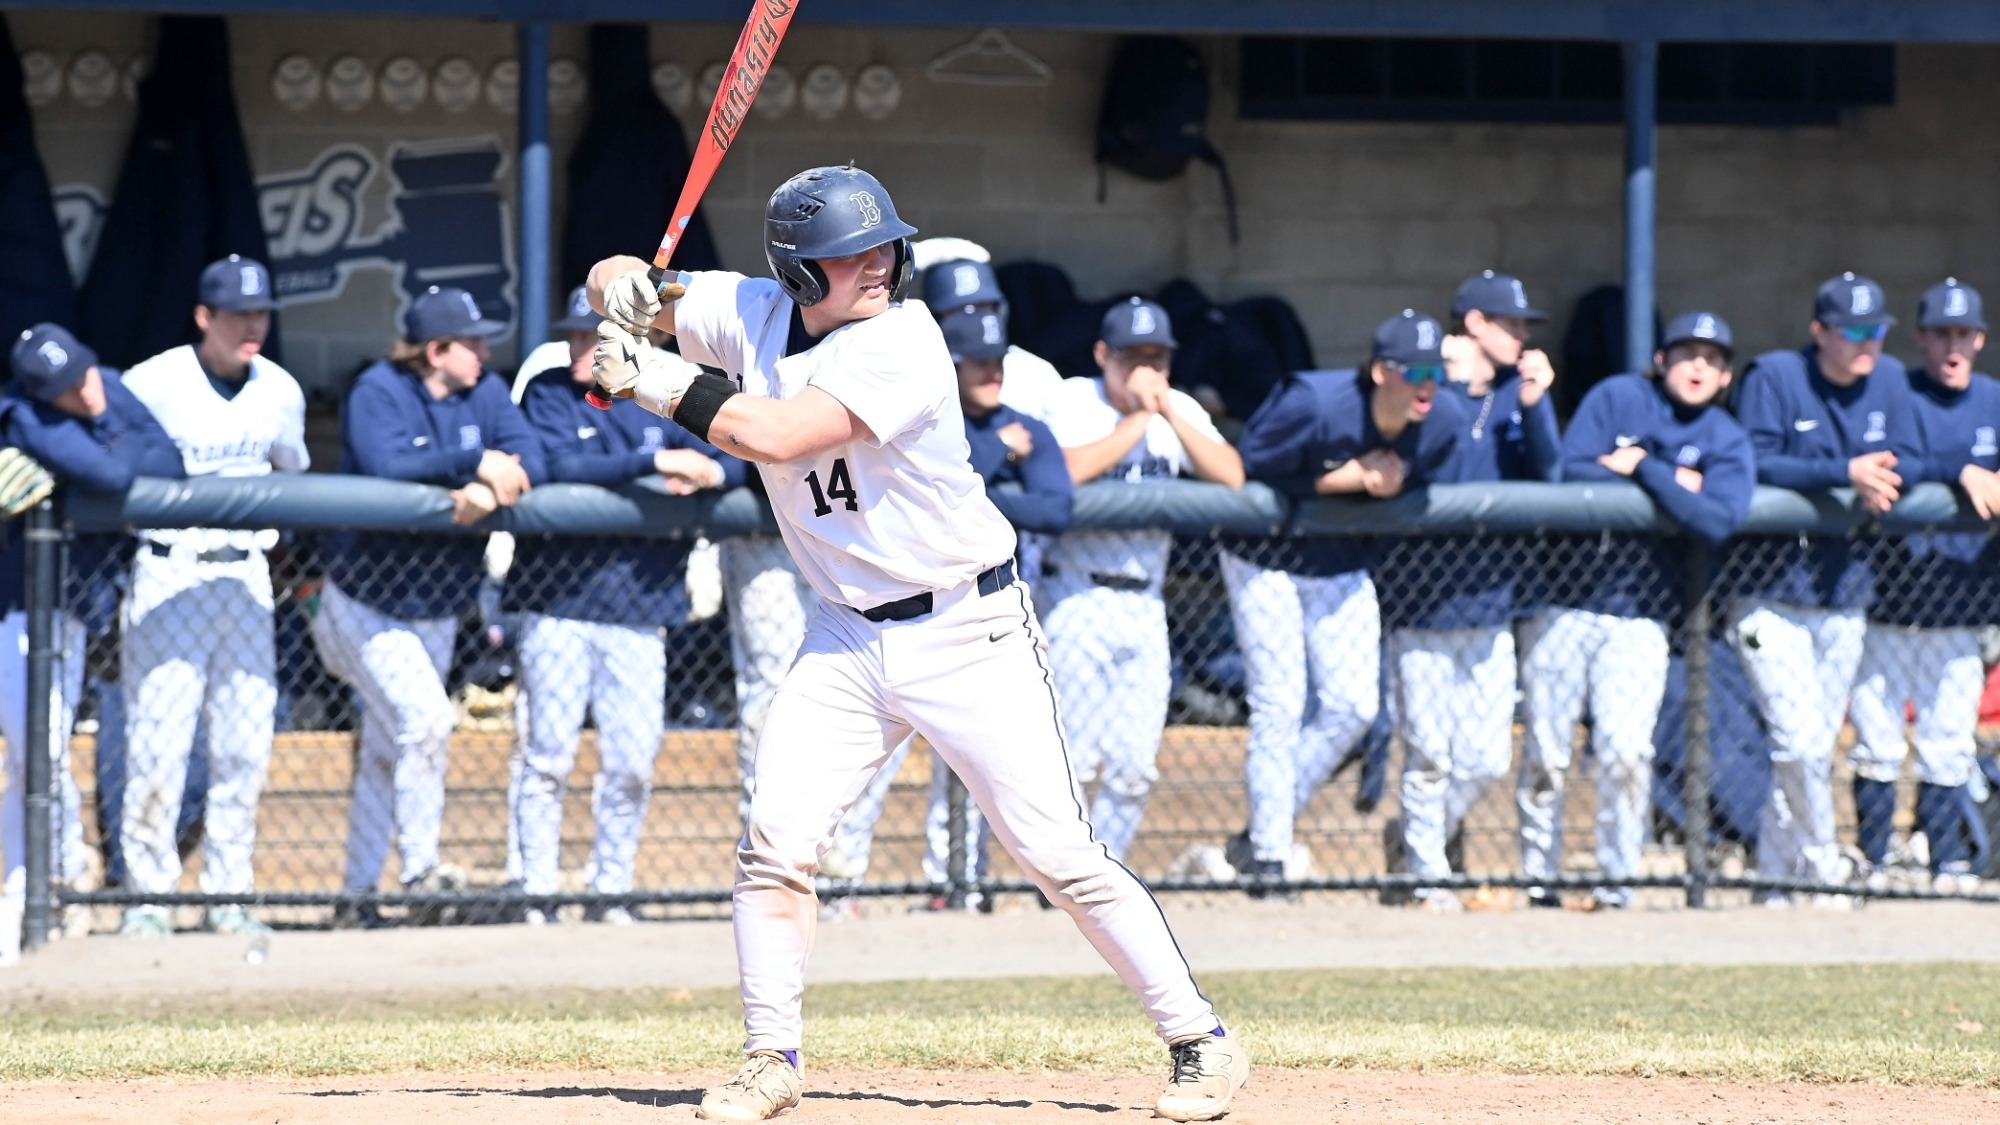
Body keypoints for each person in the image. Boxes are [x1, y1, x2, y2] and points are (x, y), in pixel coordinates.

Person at [587, 164, 1246, 1122]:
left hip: (966, 627)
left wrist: (651, 375)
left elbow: (776, 434)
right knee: (775, 838)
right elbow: (610, 281)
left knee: (1056, 851)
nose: (879, 266)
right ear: (800, 275)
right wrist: (627, 291)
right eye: (850, 257)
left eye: (882, 246)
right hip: (846, 632)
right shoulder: (754, 311)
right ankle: (771, 1058)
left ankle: (1200, 1041)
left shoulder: (905, 340)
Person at [825, 305, 1074, 911]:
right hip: (889, 613)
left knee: (978, 770)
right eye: (977, 363)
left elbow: (1057, 509)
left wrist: (977, 485)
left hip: (990, 614)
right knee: (870, 769)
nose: (991, 372)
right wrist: (993, 459)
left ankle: (957, 886)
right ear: (951, 366)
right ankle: (839, 887)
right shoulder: (924, 418)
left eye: (997, 361)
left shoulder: (1028, 426)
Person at [508, 285, 742, 924]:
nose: (581, 347)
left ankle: (611, 889)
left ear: (633, 339)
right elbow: (553, 462)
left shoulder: (669, 392)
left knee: (632, 764)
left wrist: (714, 471)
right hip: (556, 602)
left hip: (642, 604)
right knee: (546, 756)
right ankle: (535, 892)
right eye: (577, 336)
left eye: (593, 336)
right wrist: (653, 461)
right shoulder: (551, 390)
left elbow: (740, 451)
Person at [313, 285, 545, 926]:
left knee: (391, 747)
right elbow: (388, 464)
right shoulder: (379, 388)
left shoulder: (487, 391)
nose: (484, 351)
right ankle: (420, 873)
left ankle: (357, 897)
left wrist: (488, 483)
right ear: (436, 350)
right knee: (426, 723)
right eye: (471, 342)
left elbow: (536, 456)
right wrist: (474, 468)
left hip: (439, 600)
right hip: (364, 598)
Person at [1222, 310, 1460, 896]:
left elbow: (1424, 476)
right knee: (1278, 704)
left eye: (1438, 370)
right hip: (1265, 557)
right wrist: (1341, 478)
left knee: (1353, 708)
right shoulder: (1313, 402)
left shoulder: (1443, 420)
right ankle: (1271, 860)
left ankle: (1261, 830)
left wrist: (1393, 477)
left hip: (1341, 563)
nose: (1429, 384)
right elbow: (1247, 468)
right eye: (1417, 371)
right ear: (1382, 371)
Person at [1523, 311, 1755, 909]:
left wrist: (1643, 468)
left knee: (1627, 753)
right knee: (1547, 754)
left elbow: (1718, 519)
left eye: (1712, 358)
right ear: (1661, 360)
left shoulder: (1725, 436)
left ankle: (1616, 884)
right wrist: (1677, 483)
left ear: (1726, 375)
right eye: (1686, 353)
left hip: (1644, 614)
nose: (1698, 366)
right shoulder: (1617, 396)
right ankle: (1536, 882)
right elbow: (1567, 472)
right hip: (1566, 603)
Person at [116, 255, 309, 938]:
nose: (251, 325)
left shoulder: (280, 388)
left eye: (260, 313)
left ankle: (229, 890)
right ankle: (150, 896)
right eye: (238, 314)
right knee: (159, 745)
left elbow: (295, 472)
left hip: (246, 576)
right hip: (172, 568)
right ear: (206, 316)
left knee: (243, 745)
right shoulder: (152, 382)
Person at [1729, 272, 1922, 904]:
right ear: (1821, 333)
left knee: (1807, 748)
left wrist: (1883, 475)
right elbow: (1752, 459)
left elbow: (1914, 457)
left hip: (1846, 592)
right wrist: (1842, 474)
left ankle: (1774, 884)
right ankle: (1823, 870)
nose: (1869, 343)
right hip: (1768, 592)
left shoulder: (1889, 380)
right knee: (1800, 740)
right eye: (1854, 332)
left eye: (1878, 331)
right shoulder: (1777, 376)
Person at [1377, 271, 1562, 912]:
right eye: (1510, 323)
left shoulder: (1517, 394)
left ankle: (1410, 843)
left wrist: (1537, 403)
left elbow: (1552, 472)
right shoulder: (1428, 389)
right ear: (1475, 324)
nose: (1522, 335)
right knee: (1427, 755)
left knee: (1483, 758)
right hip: (1422, 601)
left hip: (1490, 599)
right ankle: (1428, 882)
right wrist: (1445, 383)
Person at [0, 325, 185, 958]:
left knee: (39, 748)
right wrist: (107, 437)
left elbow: (169, 464)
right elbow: (112, 472)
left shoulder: (104, 384)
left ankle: (42, 881)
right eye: (67, 385)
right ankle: (46, 877)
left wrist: (103, 419)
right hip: (16, 601)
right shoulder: (25, 414)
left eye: (82, 370)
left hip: (65, 605)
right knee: (35, 749)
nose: (83, 387)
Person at [1041, 298, 1245, 863]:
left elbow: (1231, 476)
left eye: (1157, 359)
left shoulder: (1173, 407)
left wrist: (1170, 414)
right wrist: (1137, 421)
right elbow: (1065, 472)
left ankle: (1104, 876)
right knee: (1075, 760)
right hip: (1075, 594)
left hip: (1144, 602)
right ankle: (1063, 878)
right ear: (1104, 355)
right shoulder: (1075, 399)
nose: (1146, 372)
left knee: (1134, 767)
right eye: (1133, 359)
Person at [1847, 279, 1998, 893]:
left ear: (1981, 339)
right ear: (1921, 339)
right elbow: (1888, 460)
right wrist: (1959, 471)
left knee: (1946, 742)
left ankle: (1948, 863)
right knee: (1878, 741)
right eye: (1941, 334)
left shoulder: (1993, 399)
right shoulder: (1895, 391)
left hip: (1963, 605)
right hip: (1889, 598)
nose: (1953, 346)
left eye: (1964, 334)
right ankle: (1873, 861)